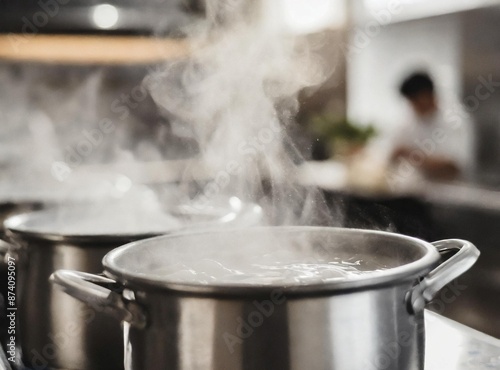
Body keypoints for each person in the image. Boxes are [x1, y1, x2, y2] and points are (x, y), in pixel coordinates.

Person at [390, 72, 475, 181]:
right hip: (421, 192)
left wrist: (411, 154)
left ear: (428, 95)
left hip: (451, 193)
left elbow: (453, 166)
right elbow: (394, 153)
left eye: (416, 101)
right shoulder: (411, 121)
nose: (413, 106)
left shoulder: (455, 119)